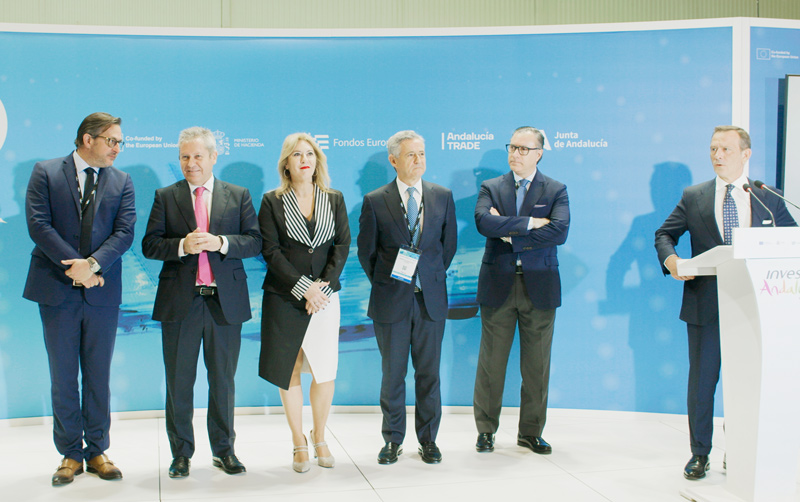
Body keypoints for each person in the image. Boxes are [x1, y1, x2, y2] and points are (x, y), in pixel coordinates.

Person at [655, 125, 797, 479]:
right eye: (713, 149)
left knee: (747, 384)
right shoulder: (695, 196)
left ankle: (740, 450)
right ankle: (699, 453)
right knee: (703, 385)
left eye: (726, 150)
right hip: (706, 305)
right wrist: (672, 262)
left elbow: (791, 239)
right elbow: (665, 234)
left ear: (746, 154)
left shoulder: (767, 197)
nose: (717, 156)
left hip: (755, 306)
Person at [23, 112, 135, 485]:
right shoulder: (46, 172)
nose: (117, 148)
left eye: (120, 142)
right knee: (63, 376)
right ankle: (70, 453)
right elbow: (39, 224)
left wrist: (92, 266)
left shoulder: (122, 181)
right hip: (56, 289)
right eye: (112, 141)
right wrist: (77, 267)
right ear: (88, 139)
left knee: (98, 374)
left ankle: (98, 450)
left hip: (101, 291)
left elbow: (124, 232)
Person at [142, 126, 261, 479]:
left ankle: (224, 451)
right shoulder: (166, 196)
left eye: (197, 156)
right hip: (181, 303)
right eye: (184, 157)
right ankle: (181, 454)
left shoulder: (237, 195)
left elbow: (254, 242)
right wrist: (183, 245)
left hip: (224, 304)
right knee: (179, 382)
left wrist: (220, 242)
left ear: (213, 157)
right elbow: (150, 245)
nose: (190, 163)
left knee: (223, 381)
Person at [358, 130, 457, 465]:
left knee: (429, 374)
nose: (418, 160)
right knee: (393, 375)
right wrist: (391, 283)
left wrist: (426, 277)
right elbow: (367, 253)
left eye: (422, 154)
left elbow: (447, 247)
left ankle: (428, 440)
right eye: (411, 154)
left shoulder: (442, 196)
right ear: (394, 160)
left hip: (430, 300)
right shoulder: (375, 200)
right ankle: (392, 440)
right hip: (391, 301)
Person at [472, 126, 570, 455]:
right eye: (512, 147)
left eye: (523, 149)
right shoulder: (491, 187)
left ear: (539, 153)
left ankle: (530, 432)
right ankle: (486, 431)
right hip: (497, 284)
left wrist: (508, 233)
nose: (515, 154)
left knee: (536, 366)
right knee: (491, 364)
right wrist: (530, 223)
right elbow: (483, 222)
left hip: (539, 286)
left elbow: (559, 232)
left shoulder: (555, 189)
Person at [258, 133, 350, 473]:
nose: (304, 160)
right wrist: (304, 288)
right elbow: (270, 251)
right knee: (291, 367)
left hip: (325, 297)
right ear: (286, 163)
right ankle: (298, 440)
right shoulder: (272, 201)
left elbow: (342, 245)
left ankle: (320, 435)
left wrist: (321, 288)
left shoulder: (334, 198)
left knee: (324, 370)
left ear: (317, 160)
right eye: (296, 154)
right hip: (285, 297)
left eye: (309, 154)